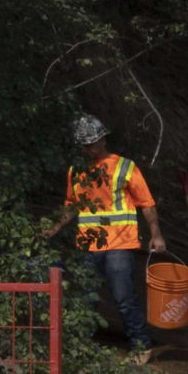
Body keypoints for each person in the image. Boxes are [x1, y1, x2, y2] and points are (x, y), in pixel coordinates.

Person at [50, 113, 168, 356]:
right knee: (85, 299)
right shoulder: (77, 171)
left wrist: (156, 235)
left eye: (94, 143)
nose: (91, 148)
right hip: (88, 245)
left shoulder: (125, 166)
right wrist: (54, 227)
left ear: (103, 140)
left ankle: (141, 346)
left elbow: (146, 203)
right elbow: (71, 205)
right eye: (86, 145)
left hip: (120, 244)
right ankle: (80, 347)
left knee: (124, 298)